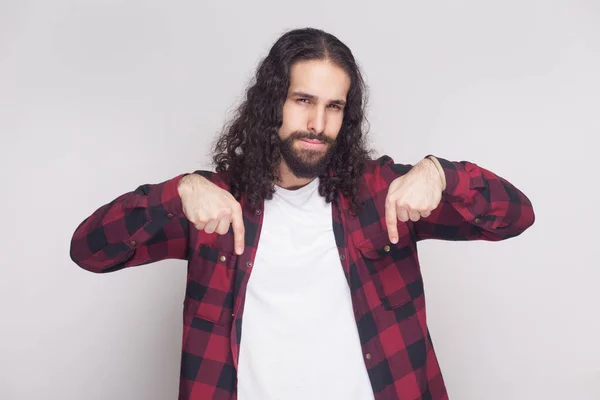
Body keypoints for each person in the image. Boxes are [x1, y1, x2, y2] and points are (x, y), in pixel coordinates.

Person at [69, 27, 535, 400]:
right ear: (272, 104)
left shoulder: (381, 194)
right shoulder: (211, 204)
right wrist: (176, 193)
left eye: (334, 107)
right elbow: (89, 250)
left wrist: (443, 175)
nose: (317, 124)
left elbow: (516, 216)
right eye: (303, 101)